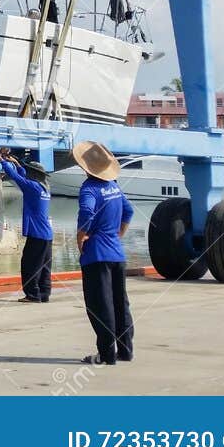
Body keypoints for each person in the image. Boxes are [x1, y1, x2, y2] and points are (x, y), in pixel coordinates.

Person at [73, 140, 135, 365]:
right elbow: (128, 212)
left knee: (101, 306)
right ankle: (126, 350)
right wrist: (118, 235)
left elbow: (87, 211)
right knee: (120, 303)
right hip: (117, 255)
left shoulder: (89, 188)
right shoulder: (114, 187)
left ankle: (107, 354)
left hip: (97, 256)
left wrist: (81, 236)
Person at [0, 149, 52, 303]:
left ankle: (32, 295)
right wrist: (17, 164)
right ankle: (44, 294)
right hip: (47, 235)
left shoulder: (33, 188)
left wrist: (2, 161)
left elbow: (16, 178)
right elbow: (22, 177)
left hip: (37, 235)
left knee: (29, 265)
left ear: (33, 174)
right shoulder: (44, 189)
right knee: (45, 267)